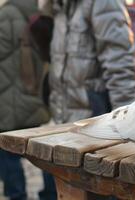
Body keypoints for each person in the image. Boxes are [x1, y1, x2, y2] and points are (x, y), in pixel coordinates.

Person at [47, 0, 135, 123]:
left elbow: (119, 63)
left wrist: (126, 120)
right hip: (64, 121)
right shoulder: (61, 5)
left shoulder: (103, 3)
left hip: (95, 122)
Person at [0, 0, 56, 200]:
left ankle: (17, 195)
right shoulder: (39, 14)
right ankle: (50, 194)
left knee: (6, 152)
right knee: (41, 151)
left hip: (7, 99)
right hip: (33, 96)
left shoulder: (6, 14)